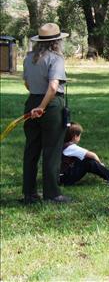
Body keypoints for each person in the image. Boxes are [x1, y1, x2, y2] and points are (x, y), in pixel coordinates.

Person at [22, 23, 71, 204]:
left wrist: (36, 103)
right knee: (52, 150)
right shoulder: (55, 58)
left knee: (31, 149)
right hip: (49, 105)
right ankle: (52, 194)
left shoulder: (28, 58)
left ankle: (29, 193)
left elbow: (26, 83)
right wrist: (42, 106)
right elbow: (53, 86)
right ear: (56, 41)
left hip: (32, 102)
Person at [60, 122, 109, 186]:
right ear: (75, 137)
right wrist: (100, 165)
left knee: (80, 158)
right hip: (64, 179)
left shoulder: (60, 145)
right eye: (80, 136)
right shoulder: (71, 147)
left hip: (58, 177)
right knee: (88, 161)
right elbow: (92, 155)